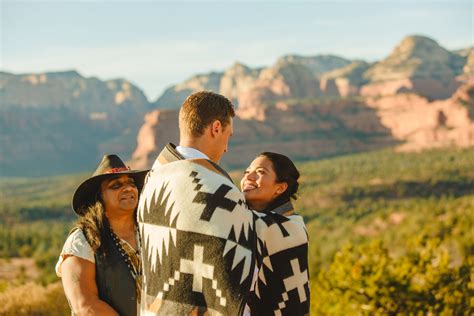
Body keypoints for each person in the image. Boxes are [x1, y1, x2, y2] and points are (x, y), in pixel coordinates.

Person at [138, 91, 256, 315]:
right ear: (216, 128)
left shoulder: (151, 183)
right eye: (228, 136)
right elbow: (234, 286)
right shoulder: (218, 190)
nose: (226, 148)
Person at [55, 154, 149, 316]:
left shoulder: (150, 232)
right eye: (116, 185)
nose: (127, 188)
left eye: (131, 183)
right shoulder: (82, 241)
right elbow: (85, 305)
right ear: (99, 198)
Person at [241, 152, 310, 315]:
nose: (248, 177)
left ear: (280, 187)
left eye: (260, 172)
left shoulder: (287, 227)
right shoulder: (253, 223)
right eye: (246, 171)